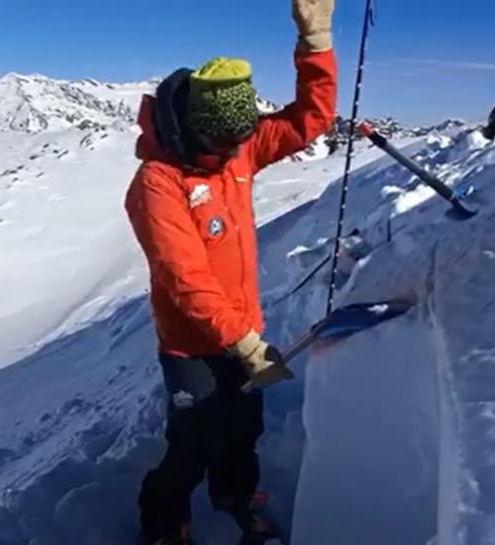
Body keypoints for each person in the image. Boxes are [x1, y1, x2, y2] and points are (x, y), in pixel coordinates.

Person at [123, 1, 336, 543]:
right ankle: (163, 520)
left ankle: (236, 497)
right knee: (192, 440)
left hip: (243, 329)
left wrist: (315, 41)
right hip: (191, 343)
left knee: (243, 430)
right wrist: (243, 344)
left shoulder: (236, 147)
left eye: (238, 144)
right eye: (222, 146)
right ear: (193, 130)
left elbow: (308, 120)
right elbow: (185, 278)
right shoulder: (157, 184)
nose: (234, 156)